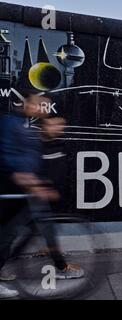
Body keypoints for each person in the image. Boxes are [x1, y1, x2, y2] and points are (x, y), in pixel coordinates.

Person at [0, 92, 83, 299]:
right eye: (39, 104)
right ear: (27, 102)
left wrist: (38, 183)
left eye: (44, 106)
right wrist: (26, 179)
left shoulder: (23, 127)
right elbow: (9, 156)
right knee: (8, 235)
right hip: (13, 191)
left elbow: (28, 163)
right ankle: (61, 267)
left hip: (25, 192)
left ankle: (61, 267)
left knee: (22, 232)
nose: (41, 109)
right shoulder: (11, 123)